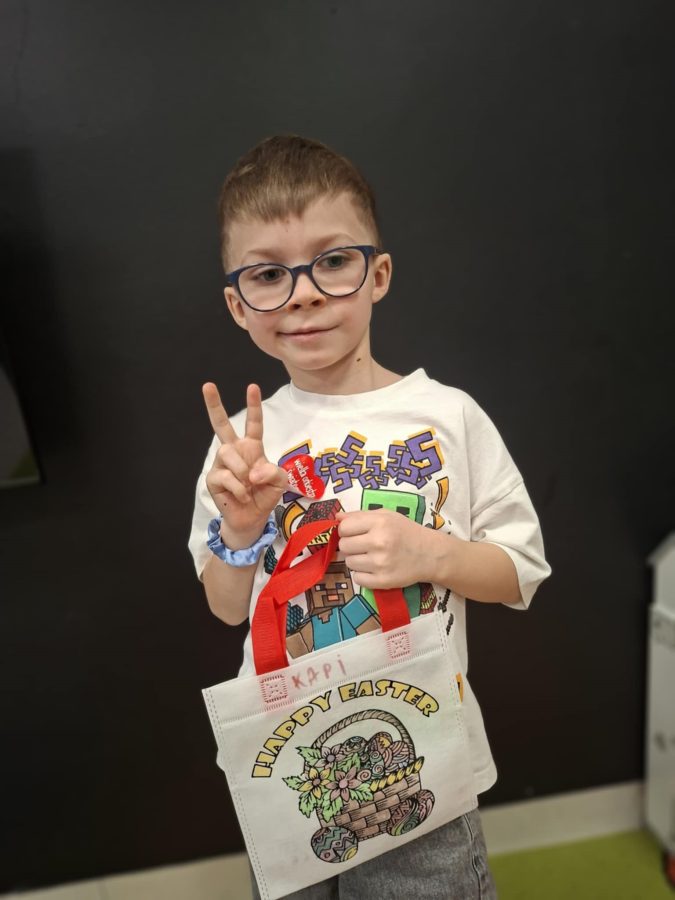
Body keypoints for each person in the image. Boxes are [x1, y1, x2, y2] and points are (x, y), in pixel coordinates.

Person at [188, 134, 552, 900]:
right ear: (237, 304)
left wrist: (432, 554)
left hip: (420, 753)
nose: (303, 294)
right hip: (289, 762)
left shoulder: (447, 415)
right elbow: (225, 607)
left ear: (377, 274)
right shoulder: (242, 445)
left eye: (331, 260)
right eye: (267, 273)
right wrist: (243, 529)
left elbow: (519, 570)